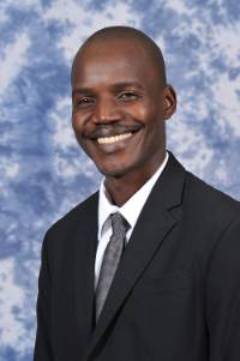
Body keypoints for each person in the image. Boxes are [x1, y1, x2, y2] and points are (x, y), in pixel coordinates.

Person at [34, 26, 240, 361]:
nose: (103, 116)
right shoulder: (60, 242)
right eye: (85, 100)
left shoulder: (227, 232)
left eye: (126, 95)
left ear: (167, 102)